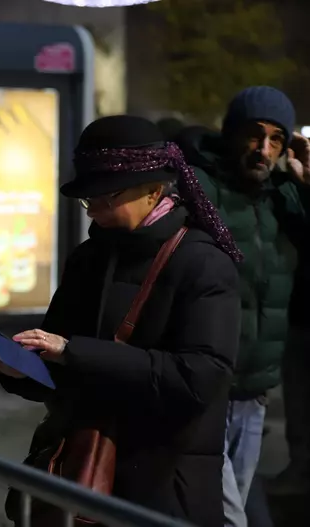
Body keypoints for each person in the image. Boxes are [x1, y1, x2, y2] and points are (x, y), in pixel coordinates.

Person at [0, 115, 241, 526]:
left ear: (154, 191)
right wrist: (20, 370)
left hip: (164, 484)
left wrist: (73, 352)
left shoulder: (202, 263)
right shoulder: (87, 258)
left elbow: (200, 377)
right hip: (84, 476)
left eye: (107, 196)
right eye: (87, 198)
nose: (93, 210)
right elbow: (62, 366)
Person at [177, 86, 310, 524]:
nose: (263, 149)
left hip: (255, 393)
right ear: (231, 133)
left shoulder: (286, 197)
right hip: (206, 391)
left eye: (276, 139)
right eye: (254, 135)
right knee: (229, 517)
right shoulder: (200, 188)